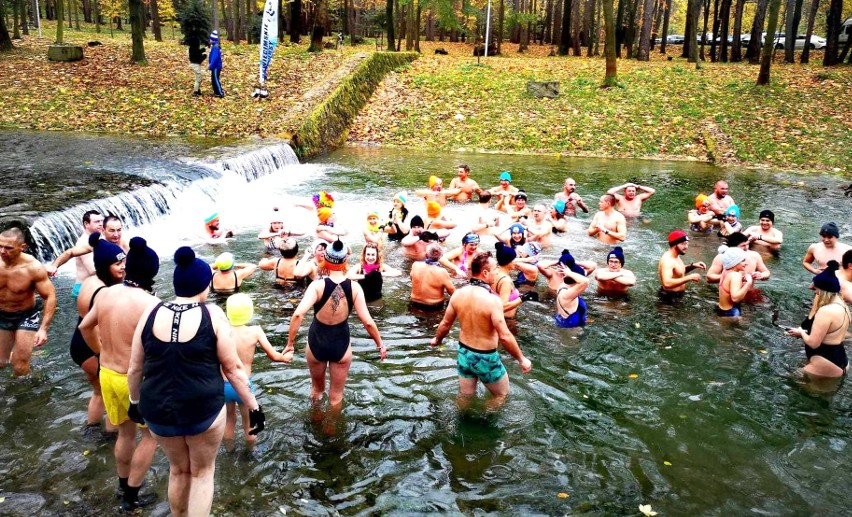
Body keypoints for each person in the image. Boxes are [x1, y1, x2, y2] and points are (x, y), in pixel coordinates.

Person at [126, 247, 264, 516]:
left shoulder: (151, 312)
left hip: (158, 410)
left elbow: (135, 367)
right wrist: (254, 405)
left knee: (178, 471)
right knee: (201, 473)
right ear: (205, 285)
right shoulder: (212, 314)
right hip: (203, 408)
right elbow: (233, 369)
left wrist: (134, 402)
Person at [78, 236, 160, 511]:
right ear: (151, 272)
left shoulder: (105, 294)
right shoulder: (150, 303)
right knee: (151, 436)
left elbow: (84, 328)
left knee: (125, 434)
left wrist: (100, 352)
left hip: (108, 374)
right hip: (134, 381)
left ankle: (123, 485)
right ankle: (132, 496)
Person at [285, 240, 386, 415]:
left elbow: (298, 315)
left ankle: (316, 423)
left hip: (317, 341)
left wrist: (290, 344)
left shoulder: (317, 286)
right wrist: (380, 345)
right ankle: (331, 435)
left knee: (317, 391)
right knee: (336, 396)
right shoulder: (354, 287)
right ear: (345, 261)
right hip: (341, 342)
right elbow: (368, 321)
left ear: (327, 259)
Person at [429, 252, 532, 406]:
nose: (496, 272)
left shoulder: (458, 294)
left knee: (465, 396)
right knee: (501, 396)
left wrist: (437, 340)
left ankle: (463, 422)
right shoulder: (492, 301)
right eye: (494, 269)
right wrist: (522, 359)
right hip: (485, 357)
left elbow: (445, 324)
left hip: (464, 353)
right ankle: (483, 420)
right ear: (485, 272)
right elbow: (504, 335)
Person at [72, 234, 125, 430]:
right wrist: (101, 355)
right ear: (104, 265)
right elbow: (89, 328)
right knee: (115, 398)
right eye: (117, 263)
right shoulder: (104, 292)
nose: (122, 266)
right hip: (90, 346)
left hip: (78, 346)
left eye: (123, 261)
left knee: (99, 392)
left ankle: (91, 431)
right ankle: (110, 438)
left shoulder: (90, 280)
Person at [222, 294, 291, 446]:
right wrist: (286, 357)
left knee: (229, 420)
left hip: (224, 385)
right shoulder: (255, 331)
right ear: (250, 313)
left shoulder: (221, 331)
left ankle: (229, 450)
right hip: (243, 385)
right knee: (249, 423)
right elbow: (274, 356)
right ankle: (250, 453)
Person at [0, 226, 56, 377]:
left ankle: (27, 394)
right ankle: (18, 353)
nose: (2, 251)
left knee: (19, 366)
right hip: (2, 314)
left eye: (8, 248)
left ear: (22, 247)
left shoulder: (33, 268)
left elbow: (50, 296)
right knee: (1, 362)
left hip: (26, 315)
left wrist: (43, 329)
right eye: (0, 246)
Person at [786, 262, 850, 378]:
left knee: (793, 383)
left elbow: (813, 343)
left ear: (823, 291)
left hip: (825, 363)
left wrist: (801, 332)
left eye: (816, 290)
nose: (813, 291)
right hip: (840, 359)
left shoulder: (825, 311)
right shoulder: (843, 306)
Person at [45, 210, 103, 298]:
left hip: (90, 287)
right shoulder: (84, 242)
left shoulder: (96, 239)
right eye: (97, 222)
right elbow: (93, 271)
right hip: (84, 290)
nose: (101, 224)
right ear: (86, 224)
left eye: (102, 221)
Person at [706, 233, 771, 286]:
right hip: (728, 292)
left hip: (748, 291)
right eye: (743, 245)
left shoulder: (754, 255)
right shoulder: (722, 257)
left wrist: (761, 275)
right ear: (733, 247)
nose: (746, 248)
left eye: (747, 244)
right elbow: (709, 277)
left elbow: (766, 272)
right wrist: (731, 276)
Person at [658, 231, 705, 301]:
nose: (686, 247)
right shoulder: (668, 261)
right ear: (674, 244)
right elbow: (666, 283)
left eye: (686, 243)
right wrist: (690, 277)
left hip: (677, 296)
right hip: (668, 298)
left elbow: (678, 272)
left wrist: (693, 266)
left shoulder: (676, 256)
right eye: (683, 244)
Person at [410, 243, 456, 310]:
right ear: (440, 257)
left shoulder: (415, 265)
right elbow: (452, 292)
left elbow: (412, 279)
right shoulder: (442, 272)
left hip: (414, 304)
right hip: (432, 306)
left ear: (426, 255)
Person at [715, 247, 752, 317]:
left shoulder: (725, 270)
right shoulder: (736, 275)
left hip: (721, 308)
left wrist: (742, 280)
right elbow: (735, 298)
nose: (746, 263)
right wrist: (748, 284)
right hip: (731, 312)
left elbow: (728, 285)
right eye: (743, 260)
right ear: (735, 262)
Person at [492, 243, 523, 318]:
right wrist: (522, 299)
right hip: (506, 321)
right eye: (514, 260)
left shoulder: (494, 272)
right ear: (508, 261)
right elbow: (502, 307)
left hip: (496, 318)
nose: (515, 262)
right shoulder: (505, 281)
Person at [208, 31, 224, 98]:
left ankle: (220, 93)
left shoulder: (215, 47)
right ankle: (216, 92)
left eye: (210, 39)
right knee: (213, 79)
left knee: (216, 79)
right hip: (214, 66)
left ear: (213, 39)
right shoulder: (214, 46)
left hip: (216, 67)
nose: (209, 40)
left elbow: (215, 58)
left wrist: (210, 65)